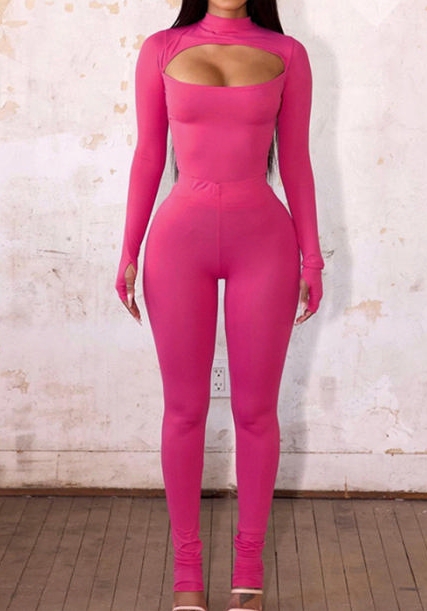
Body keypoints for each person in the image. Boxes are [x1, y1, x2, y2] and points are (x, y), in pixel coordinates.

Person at [116, 0, 324, 609]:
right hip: (178, 243)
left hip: (265, 244)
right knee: (184, 411)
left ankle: (248, 572)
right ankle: (187, 577)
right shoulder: (161, 49)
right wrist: (128, 249)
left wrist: (313, 258)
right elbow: (149, 154)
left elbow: (297, 160)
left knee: (256, 412)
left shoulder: (289, 55)